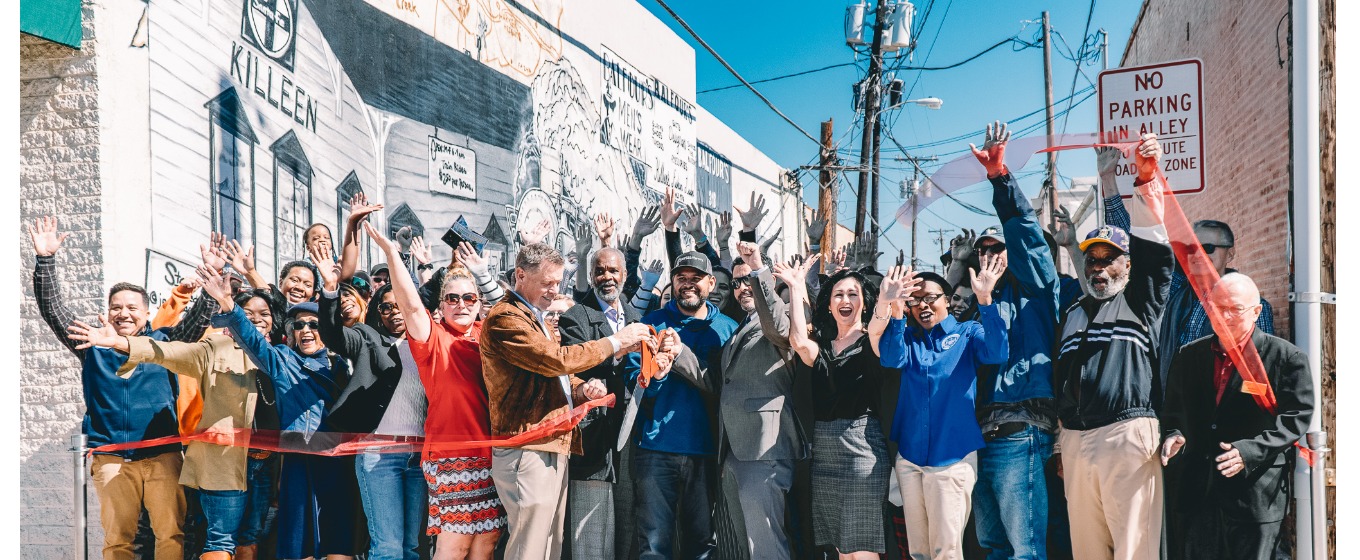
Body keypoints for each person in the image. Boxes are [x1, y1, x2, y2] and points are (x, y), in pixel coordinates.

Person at [29, 216, 214, 560]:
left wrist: (213, 276)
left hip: (163, 455)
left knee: (171, 535)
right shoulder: (92, 345)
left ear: (147, 314)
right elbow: (53, 310)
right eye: (116, 307)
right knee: (118, 541)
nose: (124, 314)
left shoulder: (165, 343)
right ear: (108, 313)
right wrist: (45, 261)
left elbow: (199, 320)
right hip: (112, 458)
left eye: (132, 308)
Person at [67, 266, 282, 560]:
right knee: (218, 541)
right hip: (222, 460)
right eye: (248, 313)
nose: (256, 319)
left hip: (269, 464)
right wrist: (118, 342)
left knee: (250, 538)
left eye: (264, 313)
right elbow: (164, 350)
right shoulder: (211, 347)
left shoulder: (284, 354)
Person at [478, 242, 655, 560]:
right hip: (525, 447)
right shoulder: (506, 317)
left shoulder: (536, 317)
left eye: (558, 283)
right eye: (547, 282)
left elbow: (553, 377)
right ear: (520, 275)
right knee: (528, 548)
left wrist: (580, 390)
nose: (553, 290)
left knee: (550, 546)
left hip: (550, 443)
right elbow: (555, 360)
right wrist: (617, 341)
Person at [1054, 133, 1172, 560]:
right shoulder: (1072, 313)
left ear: (1127, 265)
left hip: (1127, 436)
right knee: (1087, 551)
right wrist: (1061, 439)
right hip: (1075, 440)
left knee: (1134, 550)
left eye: (1110, 259)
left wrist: (1145, 179)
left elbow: (1156, 250)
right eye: (1092, 259)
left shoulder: (1141, 300)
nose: (1099, 266)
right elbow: (1060, 380)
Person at [365, 222, 507, 560]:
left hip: (495, 456)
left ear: (478, 302)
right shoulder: (432, 338)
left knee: (486, 543)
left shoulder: (489, 333)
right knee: (454, 545)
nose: (461, 304)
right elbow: (412, 306)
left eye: (468, 297)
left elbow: (517, 316)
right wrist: (392, 254)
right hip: (451, 458)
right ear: (441, 305)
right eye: (452, 298)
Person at [957, 121, 1063, 560]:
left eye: (997, 248)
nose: (990, 257)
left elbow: (1027, 240)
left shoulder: (1036, 291)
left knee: (1025, 550)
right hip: (979, 441)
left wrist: (1000, 179)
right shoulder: (976, 305)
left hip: (1020, 435)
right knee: (992, 546)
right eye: (983, 250)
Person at [1158, 273, 1312, 560]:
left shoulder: (1286, 358)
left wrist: (1249, 451)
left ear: (1256, 312)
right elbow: (1172, 412)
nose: (1225, 317)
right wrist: (1173, 434)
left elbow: (1295, 418)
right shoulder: (1188, 355)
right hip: (1197, 495)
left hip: (1254, 496)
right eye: (1218, 308)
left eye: (1235, 309)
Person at [873, 258, 1009, 560]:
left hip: (952, 457)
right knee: (918, 551)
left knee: (946, 551)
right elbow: (891, 359)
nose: (922, 305)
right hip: (910, 458)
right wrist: (896, 309)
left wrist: (985, 300)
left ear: (946, 299)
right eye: (915, 300)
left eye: (930, 298)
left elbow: (998, 351)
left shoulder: (967, 332)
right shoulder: (908, 338)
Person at [210, 284, 353, 560]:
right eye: (299, 325)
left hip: (336, 462)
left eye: (314, 324)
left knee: (339, 544)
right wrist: (228, 304)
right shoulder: (283, 359)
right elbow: (253, 341)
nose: (306, 330)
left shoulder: (343, 366)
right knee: (300, 546)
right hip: (298, 463)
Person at [777, 256, 892, 560]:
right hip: (825, 449)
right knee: (840, 545)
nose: (845, 300)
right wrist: (796, 284)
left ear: (864, 304)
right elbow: (799, 341)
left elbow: (881, 324)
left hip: (863, 448)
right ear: (828, 305)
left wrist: (886, 300)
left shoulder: (873, 340)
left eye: (853, 294)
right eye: (838, 294)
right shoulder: (823, 345)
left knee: (862, 544)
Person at [634, 250, 741, 560]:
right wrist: (657, 374)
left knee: (703, 545)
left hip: (706, 451)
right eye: (682, 278)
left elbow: (727, 391)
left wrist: (682, 357)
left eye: (696, 279)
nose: (688, 285)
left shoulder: (727, 329)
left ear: (711, 284)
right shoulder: (652, 323)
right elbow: (636, 383)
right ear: (673, 282)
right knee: (653, 546)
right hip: (655, 449)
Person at [558, 246, 645, 560]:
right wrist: (620, 348)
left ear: (623, 275)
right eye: (599, 271)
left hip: (631, 443)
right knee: (590, 541)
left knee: (627, 537)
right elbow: (576, 369)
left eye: (613, 271)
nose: (606, 277)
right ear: (591, 275)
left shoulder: (638, 318)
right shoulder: (574, 317)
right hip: (593, 443)